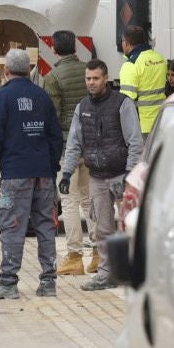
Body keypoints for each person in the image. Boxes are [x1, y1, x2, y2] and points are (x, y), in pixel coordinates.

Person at [0, 48, 64, 300]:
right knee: (46, 227)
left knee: (12, 227)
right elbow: (55, 137)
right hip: (43, 174)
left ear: (6, 71)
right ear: (29, 70)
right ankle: (49, 282)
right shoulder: (42, 97)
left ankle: (8, 284)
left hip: (15, 175)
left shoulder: (1, 98)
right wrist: (50, 168)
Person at [58, 60, 143, 291]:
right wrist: (67, 173)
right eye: (88, 79)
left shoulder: (122, 104)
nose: (91, 83)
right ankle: (107, 274)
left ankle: (136, 273)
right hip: (97, 177)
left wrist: (129, 175)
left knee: (130, 226)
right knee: (102, 229)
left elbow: (135, 142)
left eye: (95, 78)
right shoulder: (82, 107)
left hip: (121, 176)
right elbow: (74, 142)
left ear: (106, 78)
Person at [40, 30, 92, 277]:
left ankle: (74, 256)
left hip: (66, 145)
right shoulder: (88, 72)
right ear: (75, 47)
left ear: (53, 49)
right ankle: (100, 253)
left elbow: (53, 116)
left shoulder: (52, 77)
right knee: (89, 198)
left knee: (69, 201)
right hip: (91, 143)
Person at [118, 26, 169, 138]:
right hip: (162, 120)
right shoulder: (160, 58)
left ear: (126, 43)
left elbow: (126, 101)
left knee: (143, 155)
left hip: (143, 125)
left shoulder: (131, 65)